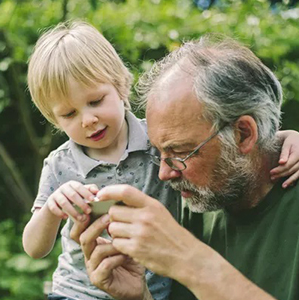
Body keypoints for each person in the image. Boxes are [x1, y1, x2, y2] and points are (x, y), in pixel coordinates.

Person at [76, 35, 299, 300]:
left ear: (243, 134)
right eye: (158, 152)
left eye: (179, 152)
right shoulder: (195, 200)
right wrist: (138, 296)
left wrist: (189, 260)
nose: (164, 174)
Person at [22, 21, 180, 300]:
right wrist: (51, 208)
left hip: (151, 293)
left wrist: (284, 137)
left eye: (95, 101)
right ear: (54, 120)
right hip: (76, 293)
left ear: (119, 85)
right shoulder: (60, 165)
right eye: (69, 114)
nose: (88, 120)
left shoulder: (158, 140)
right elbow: (34, 248)